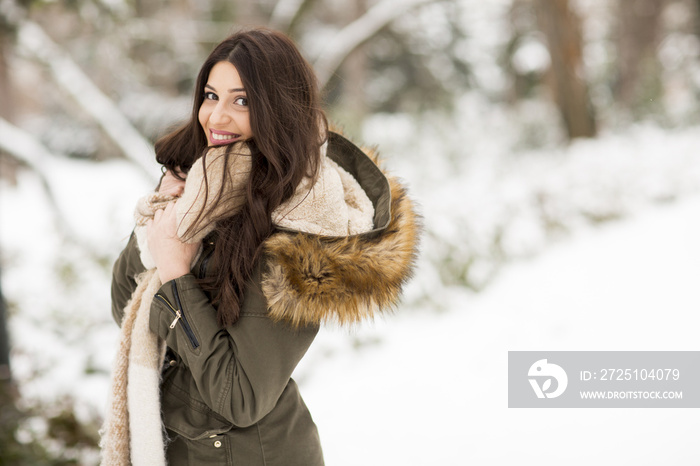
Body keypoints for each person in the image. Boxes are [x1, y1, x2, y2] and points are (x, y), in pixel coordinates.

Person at [103, 27, 420, 466]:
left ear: (279, 109)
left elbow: (240, 396)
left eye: (242, 101)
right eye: (211, 96)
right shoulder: (207, 190)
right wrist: (165, 215)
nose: (216, 117)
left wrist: (177, 277)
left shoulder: (301, 226)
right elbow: (126, 308)